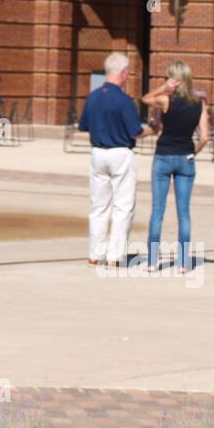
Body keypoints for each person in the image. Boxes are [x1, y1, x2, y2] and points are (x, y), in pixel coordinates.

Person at [78, 52, 155, 268]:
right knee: (123, 206)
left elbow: (83, 125)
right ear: (122, 72)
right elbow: (135, 131)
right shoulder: (124, 100)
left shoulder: (92, 96)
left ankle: (95, 252)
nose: (127, 76)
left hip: (97, 152)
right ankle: (114, 255)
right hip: (120, 153)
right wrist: (151, 131)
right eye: (127, 72)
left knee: (98, 206)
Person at [142, 61, 210, 273]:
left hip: (163, 157)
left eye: (167, 78)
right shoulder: (200, 103)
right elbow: (205, 137)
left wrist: (163, 88)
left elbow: (145, 99)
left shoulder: (165, 99)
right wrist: (193, 153)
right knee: (184, 212)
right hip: (185, 158)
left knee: (157, 211)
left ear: (174, 80)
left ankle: (152, 262)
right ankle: (182, 263)